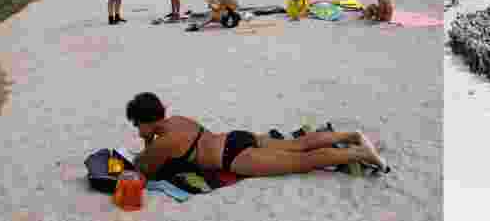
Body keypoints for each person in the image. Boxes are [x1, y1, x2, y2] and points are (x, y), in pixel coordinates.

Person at [126, 92, 387, 181]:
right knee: (297, 145)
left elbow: (142, 168)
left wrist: (146, 140)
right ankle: (351, 135)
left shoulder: (164, 143)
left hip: (232, 156)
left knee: (301, 161)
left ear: (146, 122)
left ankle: (360, 152)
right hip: (237, 137)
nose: (137, 130)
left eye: (138, 124)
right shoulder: (178, 120)